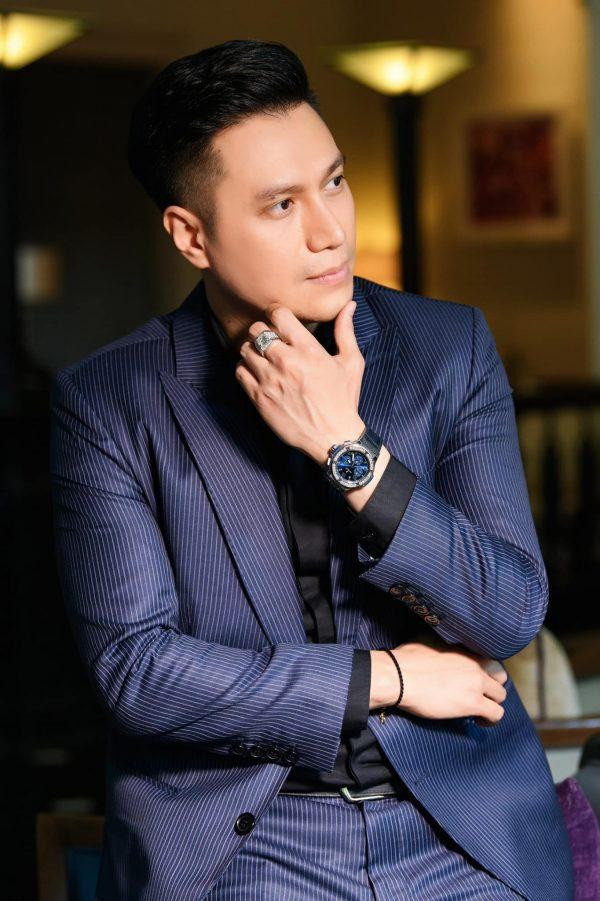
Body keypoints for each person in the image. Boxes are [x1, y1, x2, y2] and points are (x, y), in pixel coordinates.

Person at [49, 39, 574, 900]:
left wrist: (348, 449)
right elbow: (138, 671)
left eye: (334, 182)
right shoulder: (110, 400)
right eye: (281, 204)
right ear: (191, 235)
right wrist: (387, 679)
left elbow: (509, 610)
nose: (330, 231)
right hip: (251, 840)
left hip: (458, 827)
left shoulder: (448, 349)